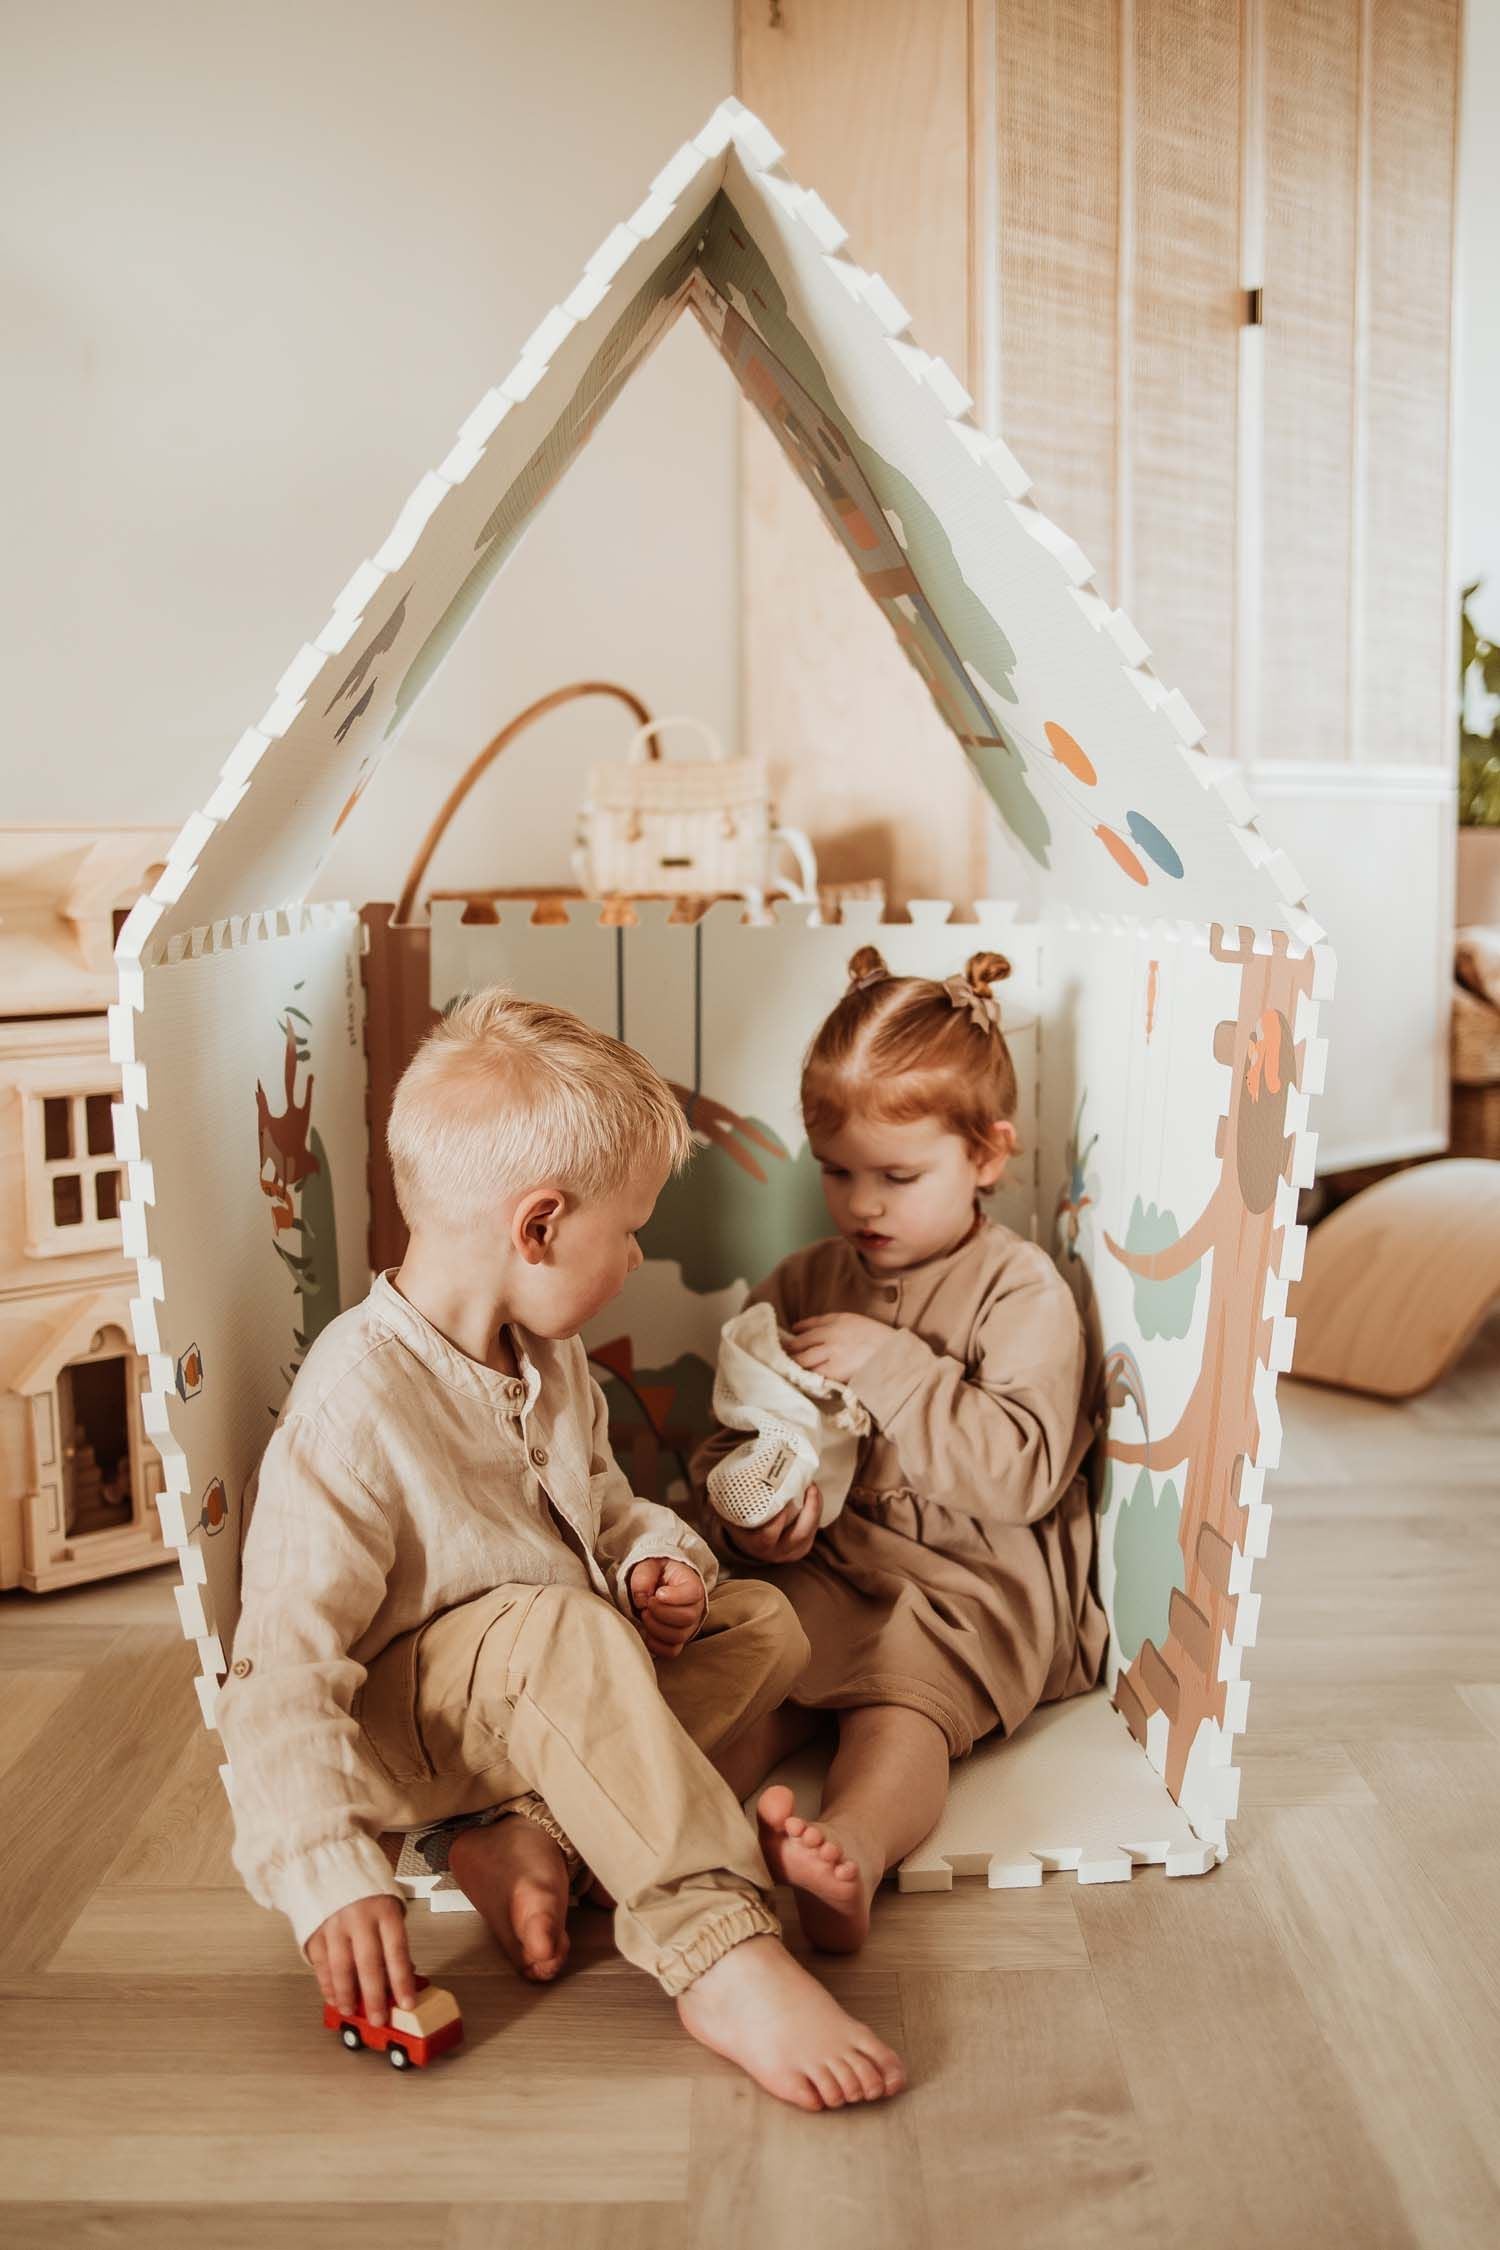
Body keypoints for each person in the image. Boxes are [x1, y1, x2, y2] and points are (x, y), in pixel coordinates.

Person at [217, 986, 905, 2111]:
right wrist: (327, 1877)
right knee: (561, 1628)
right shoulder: (353, 1406)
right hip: (416, 1733)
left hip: (550, 1685)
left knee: (763, 1624)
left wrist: (649, 1564)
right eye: (627, 1233)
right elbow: (277, 1672)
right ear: (536, 1227)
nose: (634, 1258)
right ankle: (719, 1952)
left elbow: (603, 1501)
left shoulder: (545, 1356)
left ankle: (529, 1837)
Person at [694, 945, 1106, 1953]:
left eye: (898, 1175)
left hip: (966, 1579)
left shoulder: (1021, 1291)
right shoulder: (799, 1282)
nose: (863, 1203)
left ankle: (853, 1849)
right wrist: (753, 1511)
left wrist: (896, 1368)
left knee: (897, 1710)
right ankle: (659, 1837)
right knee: (740, 1674)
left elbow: (1020, 1475)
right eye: (836, 1171)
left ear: (988, 1156)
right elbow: (732, 1433)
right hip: (833, 1561)